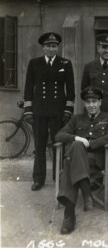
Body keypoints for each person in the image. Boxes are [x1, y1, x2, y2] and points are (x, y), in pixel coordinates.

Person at [56, 86, 108, 234]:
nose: (91, 105)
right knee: (75, 149)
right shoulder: (76, 118)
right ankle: (84, 197)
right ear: (84, 104)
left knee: (69, 161)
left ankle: (69, 214)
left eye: (94, 101)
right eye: (88, 102)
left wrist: (90, 143)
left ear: (100, 102)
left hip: (97, 160)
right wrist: (77, 138)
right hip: (79, 162)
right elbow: (59, 135)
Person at [23, 32, 75, 191]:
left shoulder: (65, 63)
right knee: (39, 146)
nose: (51, 49)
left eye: (54, 46)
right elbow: (28, 88)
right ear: (43, 47)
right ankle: (38, 179)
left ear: (57, 47)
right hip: (39, 111)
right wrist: (28, 110)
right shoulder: (34, 63)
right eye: (48, 46)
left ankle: (58, 177)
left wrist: (68, 109)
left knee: (58, 145)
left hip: (58, 112)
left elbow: (70, 89)